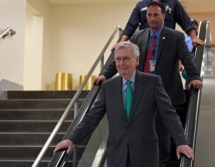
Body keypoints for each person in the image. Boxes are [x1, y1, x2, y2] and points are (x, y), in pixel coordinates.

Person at [95, 1, 203, 166]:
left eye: (156, 15)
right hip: (142, 94)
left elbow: (186, 59)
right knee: (143, 138)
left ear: (163, 16)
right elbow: (124, 56)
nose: (152, 18)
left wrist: (194, 77)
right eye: (149, 15)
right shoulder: (139, 36)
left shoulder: (175, 36)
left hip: (165, 94)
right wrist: (105, 74)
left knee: (162, 137)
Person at [54, 41, 194, 167]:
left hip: (145, 154)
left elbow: (169, 114)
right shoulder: (108, 86)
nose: (122, 63)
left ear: (136, 60)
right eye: (118, 59)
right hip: (117, 154)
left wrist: (181, 142)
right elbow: (92, 118)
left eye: (126, 58)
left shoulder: (153, 83)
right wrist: (71, 139)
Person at [117, 0, 204, 47]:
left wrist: (194, 38)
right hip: (144, 45)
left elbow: (186, 22)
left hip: (166, 44)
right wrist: (121, 43)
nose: (152, 18)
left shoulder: (173, 3)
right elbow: (130, 26)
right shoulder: (141, 5)